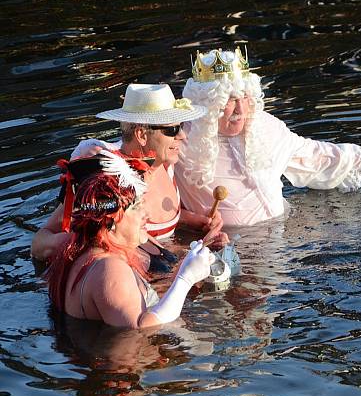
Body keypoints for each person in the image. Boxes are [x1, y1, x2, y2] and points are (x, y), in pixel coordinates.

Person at [176, 47, 361, 226]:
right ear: (208, 104)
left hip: (285, 235)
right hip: (230, 248)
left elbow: (311, 155)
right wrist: (191, 221)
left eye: (244, 98)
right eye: (229, 100)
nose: (240, 110)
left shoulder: (263, 127)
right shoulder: (179, 141)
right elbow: (157, 203)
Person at [31, 84, 227, 267]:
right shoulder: (105, 179)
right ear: (141, 135)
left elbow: (157, 222)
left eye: (181, 127)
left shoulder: (165, 165)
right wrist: (89, 242)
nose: (182, 136)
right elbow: (39, 244)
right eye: (172, 130)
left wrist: (194, 221)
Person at [46, 150, 214, 328]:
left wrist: (184, 269)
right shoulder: (109, 267)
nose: (146, 215)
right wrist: (185, 279)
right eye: (136, 207)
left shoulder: (82, 251)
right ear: (110, 220)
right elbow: (142, 328)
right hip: (125, 354)